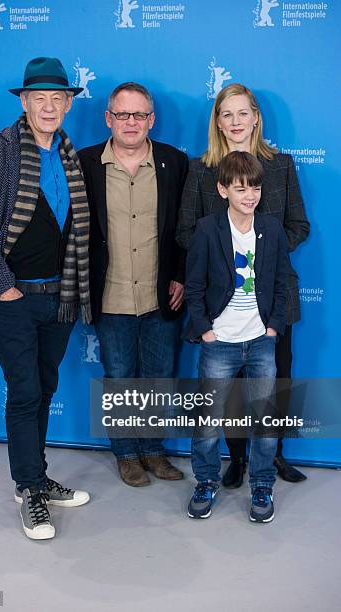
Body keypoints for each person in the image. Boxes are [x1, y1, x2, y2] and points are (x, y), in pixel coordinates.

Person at [0, 57, 91, 540]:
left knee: (45, 388)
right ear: (24, 101)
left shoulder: (73, 157)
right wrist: (4, 289)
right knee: (26, 392)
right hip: (13, 298)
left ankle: (34, 476)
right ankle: (30, 490)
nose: (49, 106)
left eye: (58, 98)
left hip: (61, 295)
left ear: (69, 103)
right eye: (40, 98)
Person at [176, 83, 310, 485]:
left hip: (271, 301)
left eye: (242, 113)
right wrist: (224, 254)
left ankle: (276, 456)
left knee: (275, 378)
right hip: (223, 306)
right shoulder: (201, 169)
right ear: (217, 121)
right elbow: (185, 231)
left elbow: (299, 225)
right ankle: (237, 457)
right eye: (226, 114)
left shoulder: (282, 166)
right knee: (228, 387)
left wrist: (262, 253)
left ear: (256, 117)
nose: (235, 122)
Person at [78, 82, 188, 486]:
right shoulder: (85, 162)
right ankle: (126, 454)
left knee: (158, 376)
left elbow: (183, 227)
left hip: (161, 293)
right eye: (122, 114)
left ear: (151, 120)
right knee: (121, 377)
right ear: (108, 118)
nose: (130, 122)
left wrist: (180, 275)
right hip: (110, 293)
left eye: (139, 114)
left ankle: (154, 451)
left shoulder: (174, 163)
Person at [185, 150, 289, 523]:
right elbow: (194, 285)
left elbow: (282, 281)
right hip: (220, 342)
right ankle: (206, 481)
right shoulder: (208, 229)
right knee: (209, 421)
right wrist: (206, 331)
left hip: (261, 339)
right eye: (241, 188)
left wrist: (273, 326)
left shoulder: (272, 230)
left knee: (264, 422)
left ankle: (262, 485)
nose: (250, 195)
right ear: (223, 189)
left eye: (255, 188)